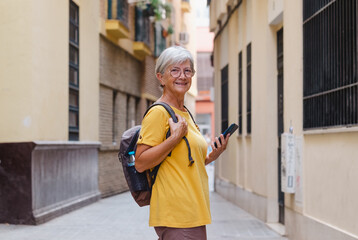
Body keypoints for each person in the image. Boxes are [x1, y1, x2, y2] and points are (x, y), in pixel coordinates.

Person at [135, 46, 229, 240]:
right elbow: (141, 162)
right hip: (177, 214)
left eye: (187, 71)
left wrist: (213, 155)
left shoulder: (185, 113)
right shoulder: (158, 113)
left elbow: (186, 164)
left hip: (193, 211)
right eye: (174, 70)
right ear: (161, 77)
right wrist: (174, 139)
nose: (182, 76)